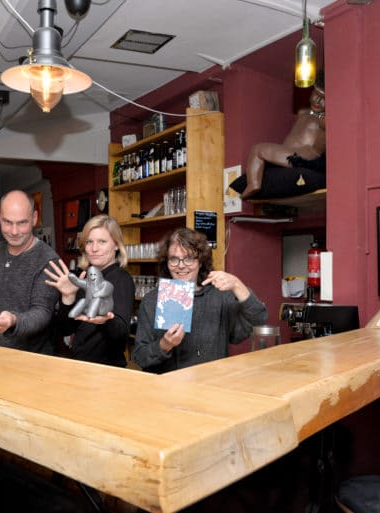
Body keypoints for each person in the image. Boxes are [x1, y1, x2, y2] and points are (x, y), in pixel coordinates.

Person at [132, 227, 267, 373]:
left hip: (210, 382)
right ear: (167, 262)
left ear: (201, 261)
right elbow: (140, 357)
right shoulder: (152, 300)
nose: (181, 265)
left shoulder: (219, 296)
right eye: (174, 259)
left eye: (189, 258)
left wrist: (237, 285)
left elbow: (259, 319)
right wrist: (164, 345)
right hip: (165, 383)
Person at [0, 190, 60, 353]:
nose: (14, 231)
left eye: (22, 223)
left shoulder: (48, 261)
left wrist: (13, 320)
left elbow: (42, 313)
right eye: (8, 222)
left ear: (34, 218)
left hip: (31, 359)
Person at [44, 214, 135, 367]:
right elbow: (64, 329)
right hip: (81, 367)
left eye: (102, 242)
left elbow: (121, 336)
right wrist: (68, 297)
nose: (94, 248)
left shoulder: (121, 279)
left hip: (107, 371)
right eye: (89, 242)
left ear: (116, 245)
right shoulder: (86, 277)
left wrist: (106, 319)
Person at [241, 71, 325, 199]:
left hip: (306, 154)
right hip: (290, 151)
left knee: (257, 149)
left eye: (324, 98)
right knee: (260, 151)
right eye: (316, 94)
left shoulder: (324, 118)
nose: (318, 101)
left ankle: (253, 185)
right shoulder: (303, 112)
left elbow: (320, 146)